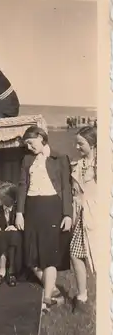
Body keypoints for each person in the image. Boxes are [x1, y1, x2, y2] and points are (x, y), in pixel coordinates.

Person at [15, 126, 73, 312]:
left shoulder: (60, 158)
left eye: (31, 143)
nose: (29, 147)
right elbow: (22, 186)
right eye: (26, 145)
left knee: (49, 255)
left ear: (41, 138)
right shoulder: (26, 160)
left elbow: (66, 188)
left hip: (52, 208)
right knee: (30, 254)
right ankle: (53, 289)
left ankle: (47, 299)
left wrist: (67, 214)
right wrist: (19, 213)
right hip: (32, 208)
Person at [70, 126, 97, 313]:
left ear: (93, 143)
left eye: (81, 143)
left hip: (98, 215)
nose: (77, 147)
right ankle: (82, 296)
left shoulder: (103, 164)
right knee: (75, 253)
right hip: (82, 216)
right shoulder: (79, 165)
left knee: (100, 256)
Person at [0, 181, 23, 288]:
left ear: (7, 198)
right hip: (3, 235)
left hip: (18, 234)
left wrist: (15, 227)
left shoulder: (18, 208)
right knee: (2, 236)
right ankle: (2, 271)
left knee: (13, 236)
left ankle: (12, 271)